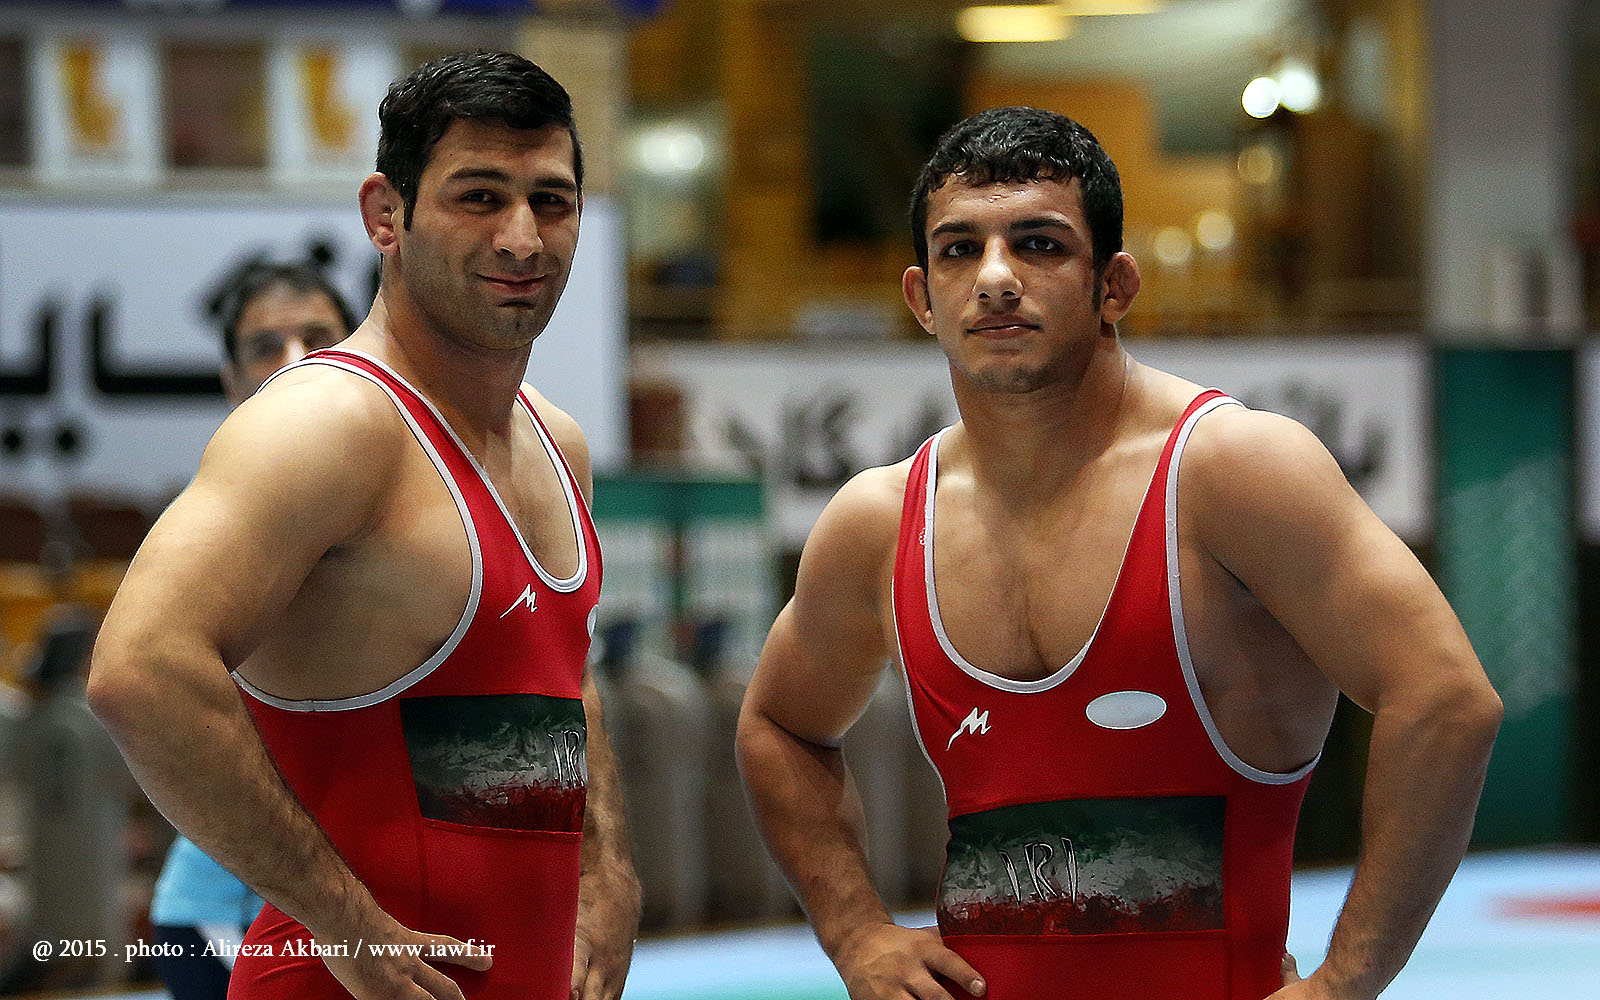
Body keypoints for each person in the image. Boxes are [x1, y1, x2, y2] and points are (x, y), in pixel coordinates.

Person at [736, 106, 1503, 1000]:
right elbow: (779, 725)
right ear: (921, 298)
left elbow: (1447, 699)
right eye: (960, 250)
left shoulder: (1232, 472)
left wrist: (1345, 983)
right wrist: (856, 933)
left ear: (1115, 285)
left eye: (1039, 245)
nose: (995, 278)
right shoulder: (879, 520)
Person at [88, 51, 640, 1000]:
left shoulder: (558, 442)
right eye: (479, 197)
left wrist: (606, 868)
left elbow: (556, 682)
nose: (521, 238)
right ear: (387, 215)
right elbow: (138, 672)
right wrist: (341, 922)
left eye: (550, 201)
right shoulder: (329, 424)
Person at [148, 259, 356, 1000]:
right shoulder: (216, 523)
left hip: (357, 905)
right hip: (232, 913)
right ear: (231, 378)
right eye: (266, 346)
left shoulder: (389, 500)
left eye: (318, 338)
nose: (294, 361)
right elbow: (135, 688)